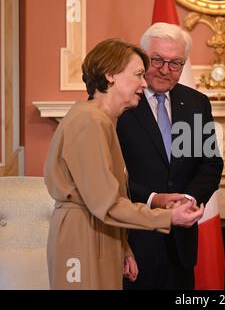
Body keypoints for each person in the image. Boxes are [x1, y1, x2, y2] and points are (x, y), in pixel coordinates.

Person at [44, 39, 204, 290]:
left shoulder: (104, 120)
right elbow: (107, 204)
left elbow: (109, 195)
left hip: (102, 233)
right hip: (83, 236)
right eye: (139, 74)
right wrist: (169, 216)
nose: (144, 82)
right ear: (110, 75)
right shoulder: (90, 122)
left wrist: (123, 247)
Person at [117, 23, 224, 289]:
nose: (165, 70)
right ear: (142, 58)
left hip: (181, 243)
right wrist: (154, 200)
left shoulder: (198, 102)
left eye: (175, 63)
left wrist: (187, 200)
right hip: (133, 240)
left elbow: (210, 163)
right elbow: (110, 173)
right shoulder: (120, 102)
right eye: (157, 60)